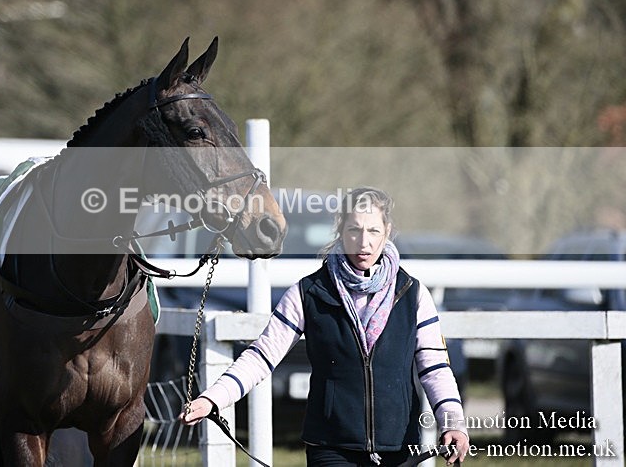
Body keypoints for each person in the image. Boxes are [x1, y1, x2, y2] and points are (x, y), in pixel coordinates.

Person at [181, 187, 470, 466]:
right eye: (354, 230)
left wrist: (453, 422)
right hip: (330, 448)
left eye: (373, 231)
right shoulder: (308, 292)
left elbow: (435, 369)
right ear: (341, 230)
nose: (363, 242)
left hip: (399, 446)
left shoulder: (413, 294)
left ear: (387, 232)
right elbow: (260, 356)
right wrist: (212, 399)